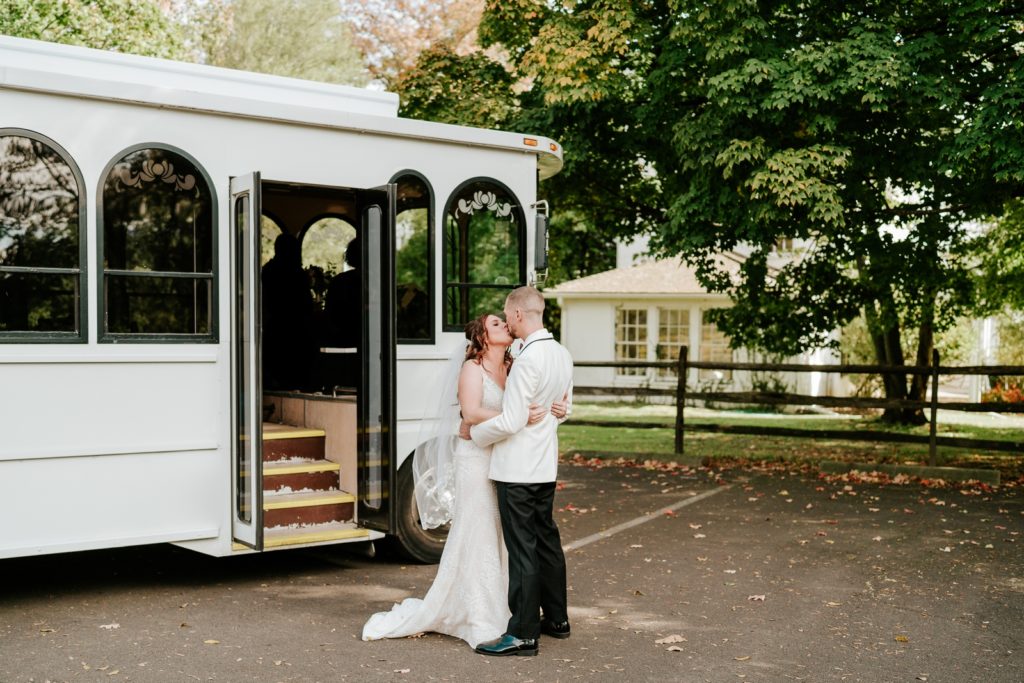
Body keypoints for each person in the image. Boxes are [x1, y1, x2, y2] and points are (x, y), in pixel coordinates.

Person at [361, 313, 565, 649]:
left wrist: (555, 407)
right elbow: (470, 413)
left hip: (504, 458)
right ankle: (477, 611)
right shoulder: (472, 368)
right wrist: (516, 416)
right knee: (478, 529)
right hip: (475, 459)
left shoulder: (515, 365)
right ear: (483, 336)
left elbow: (531, 401)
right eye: (497, 324)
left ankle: (507, 610)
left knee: (502, 535)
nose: (506, 327)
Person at [469, 286, 574, 657]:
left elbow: (513, 420)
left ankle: (524, 633)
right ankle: (558, 620)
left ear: (516, 315)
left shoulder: (528, 360)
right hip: (545, 465)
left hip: (517, 469)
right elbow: (565, 408)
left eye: (505, 313)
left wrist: (475, 433)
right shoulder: (561, 353)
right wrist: (554, 416)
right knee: (546, 541)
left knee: (523, 549)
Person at [261, 232, 316, 391]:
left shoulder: (268, 270)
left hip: (274, 325)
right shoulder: (297, 274)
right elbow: (306, 304)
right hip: (296, 327)